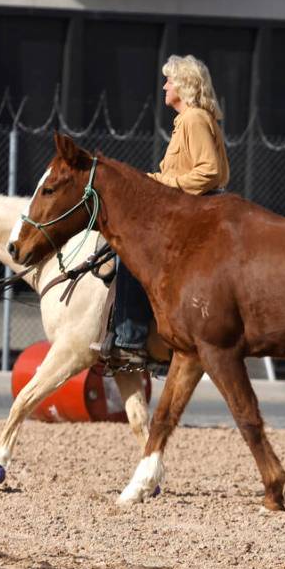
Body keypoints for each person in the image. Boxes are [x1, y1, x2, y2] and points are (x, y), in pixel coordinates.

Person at [106, 53, 230, 363]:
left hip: (192, 212)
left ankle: (131, 340)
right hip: (189, 210)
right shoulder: (189, 120)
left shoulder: (194, 119)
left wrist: (161, 184)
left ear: (185, 85)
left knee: (133, 256)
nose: (164, 86)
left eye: (169, 80)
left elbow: (209, 171)